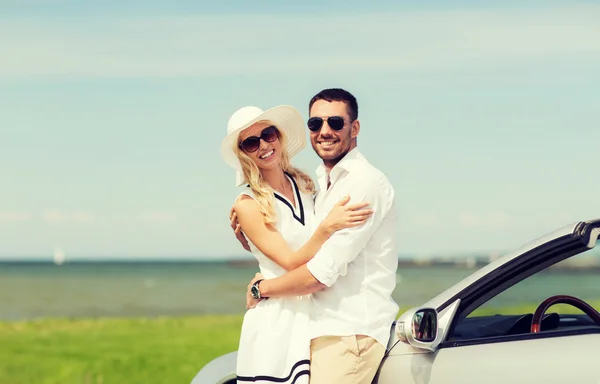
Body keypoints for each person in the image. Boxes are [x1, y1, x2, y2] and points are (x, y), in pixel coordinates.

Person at [237, 88, 400, 384]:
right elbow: (292, 251)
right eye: (315, 124)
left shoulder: (362, 183)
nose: (325, 131)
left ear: (355, 128)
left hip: (349, 331)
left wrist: (263, 289)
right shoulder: (319, 185)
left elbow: (319, 274)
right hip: (310, 328)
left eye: (336, 123)